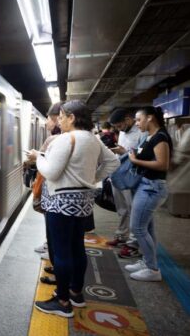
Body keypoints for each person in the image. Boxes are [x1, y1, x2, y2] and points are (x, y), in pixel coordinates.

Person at [27, 100, 119, 317]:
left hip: (60, 202)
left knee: (60, 252)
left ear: (72, 118)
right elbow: (113, 162)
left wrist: (37, 157)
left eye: (62, 116)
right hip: (83, 202)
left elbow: (51, 172)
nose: (59, 120)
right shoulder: (93, 140)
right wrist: (91, 179)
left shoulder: (66, 139)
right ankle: (76, 293)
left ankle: (62, 301)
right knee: (77, 248)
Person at [125, 106, 172, 282]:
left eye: (139, 120)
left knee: (137, 227)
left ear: (150, 118)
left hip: (152, 187)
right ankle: (147, 261)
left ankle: (152, 269)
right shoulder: (150, 137)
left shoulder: (160, 137)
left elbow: (163, 165)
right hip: (146, 185)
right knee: (147, 228)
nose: (137, 124)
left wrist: (135, 160)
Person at [106, 108, 147, 259]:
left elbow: (142, 155)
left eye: (119, 126)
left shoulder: (142, 133)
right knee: (122, 208)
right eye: (116, 127)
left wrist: (124, 152)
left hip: (132, 178)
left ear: (128, 119)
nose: (118, 129)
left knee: (133, 210)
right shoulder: (123, 132)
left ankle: (132, 244)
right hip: (119, 174)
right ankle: (121, 235)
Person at [32, 103, 61, 285]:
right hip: (66, 199)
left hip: (59, 198)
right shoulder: (84, 138)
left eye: (50, 118)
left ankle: (64, 294)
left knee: (61, 242)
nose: (48, 122)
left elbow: (50, 169)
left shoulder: (58, 140)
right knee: (61, 240)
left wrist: (37, 158)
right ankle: (56, 264)